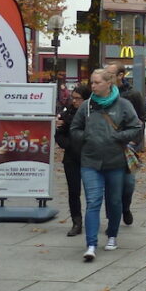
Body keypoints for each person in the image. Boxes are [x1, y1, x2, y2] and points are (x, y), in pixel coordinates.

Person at [71, 69, 142, 260]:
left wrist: (118, 137)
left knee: (115, 201)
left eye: (96, 82)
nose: (92, 86)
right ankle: (91, 245)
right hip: (90, 161)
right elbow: (74, 128)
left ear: (108, 83)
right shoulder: (86, 106)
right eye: (91, 83)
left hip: (115, 161)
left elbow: (136, 126)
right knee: (93, 201)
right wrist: (85, 137)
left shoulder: (123, 105)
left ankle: (112, 235)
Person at [112, 65, 146, 226]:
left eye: (111, 74)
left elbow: (141, 119)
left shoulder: (133, 95)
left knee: (128, 183)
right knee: (109, 184)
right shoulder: (103, 93)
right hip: (108, 145)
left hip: (128, 145)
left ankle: (125, 207)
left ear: (121, 75)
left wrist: (134, 142)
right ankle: (113, 218)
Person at [55, 83, 89, 237]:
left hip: (89, 157)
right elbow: (59, 134)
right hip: (71, 157)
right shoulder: (66, 113)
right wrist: (68, 145)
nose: (74, 101)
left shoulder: (91, 113)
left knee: (92, 192)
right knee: (73, 191)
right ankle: (77, 221)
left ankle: (91, 219)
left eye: (78, 98)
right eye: (73, 98)